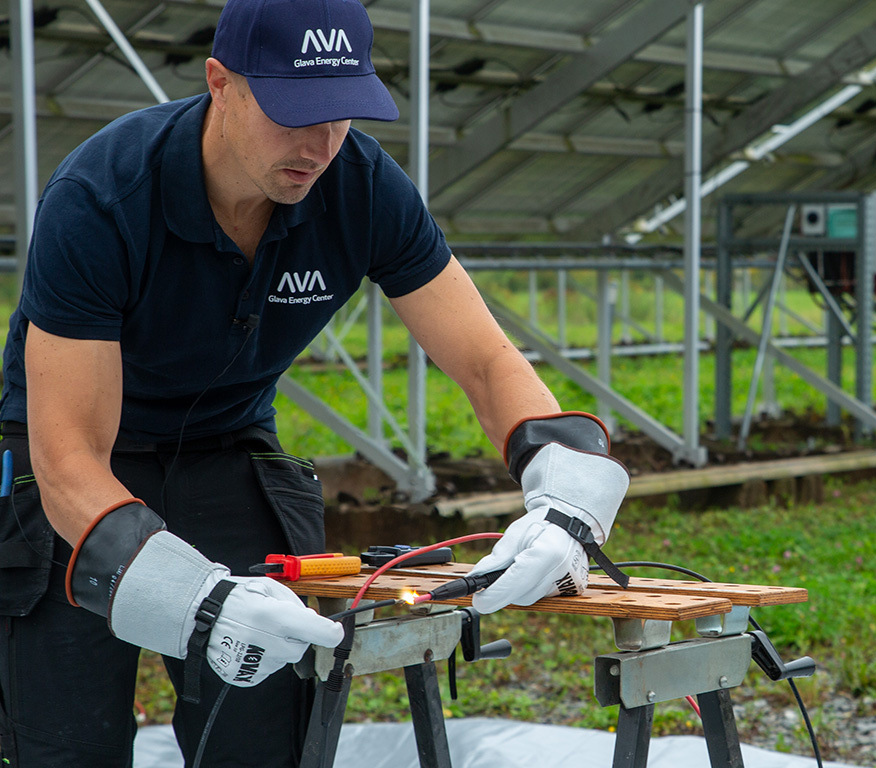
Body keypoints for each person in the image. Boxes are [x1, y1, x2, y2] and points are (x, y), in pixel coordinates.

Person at [0, 0, 630, 765]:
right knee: (65, 739)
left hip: (228, 448)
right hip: (83, 469)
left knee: (267, 724)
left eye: (341, 113)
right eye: (294, 112)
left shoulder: (360, 183)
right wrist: (195, 597)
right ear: (220, 83)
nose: (319, 144)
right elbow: (68, 459)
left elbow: (486, 359)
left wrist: (564, 497)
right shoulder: (102, 198)